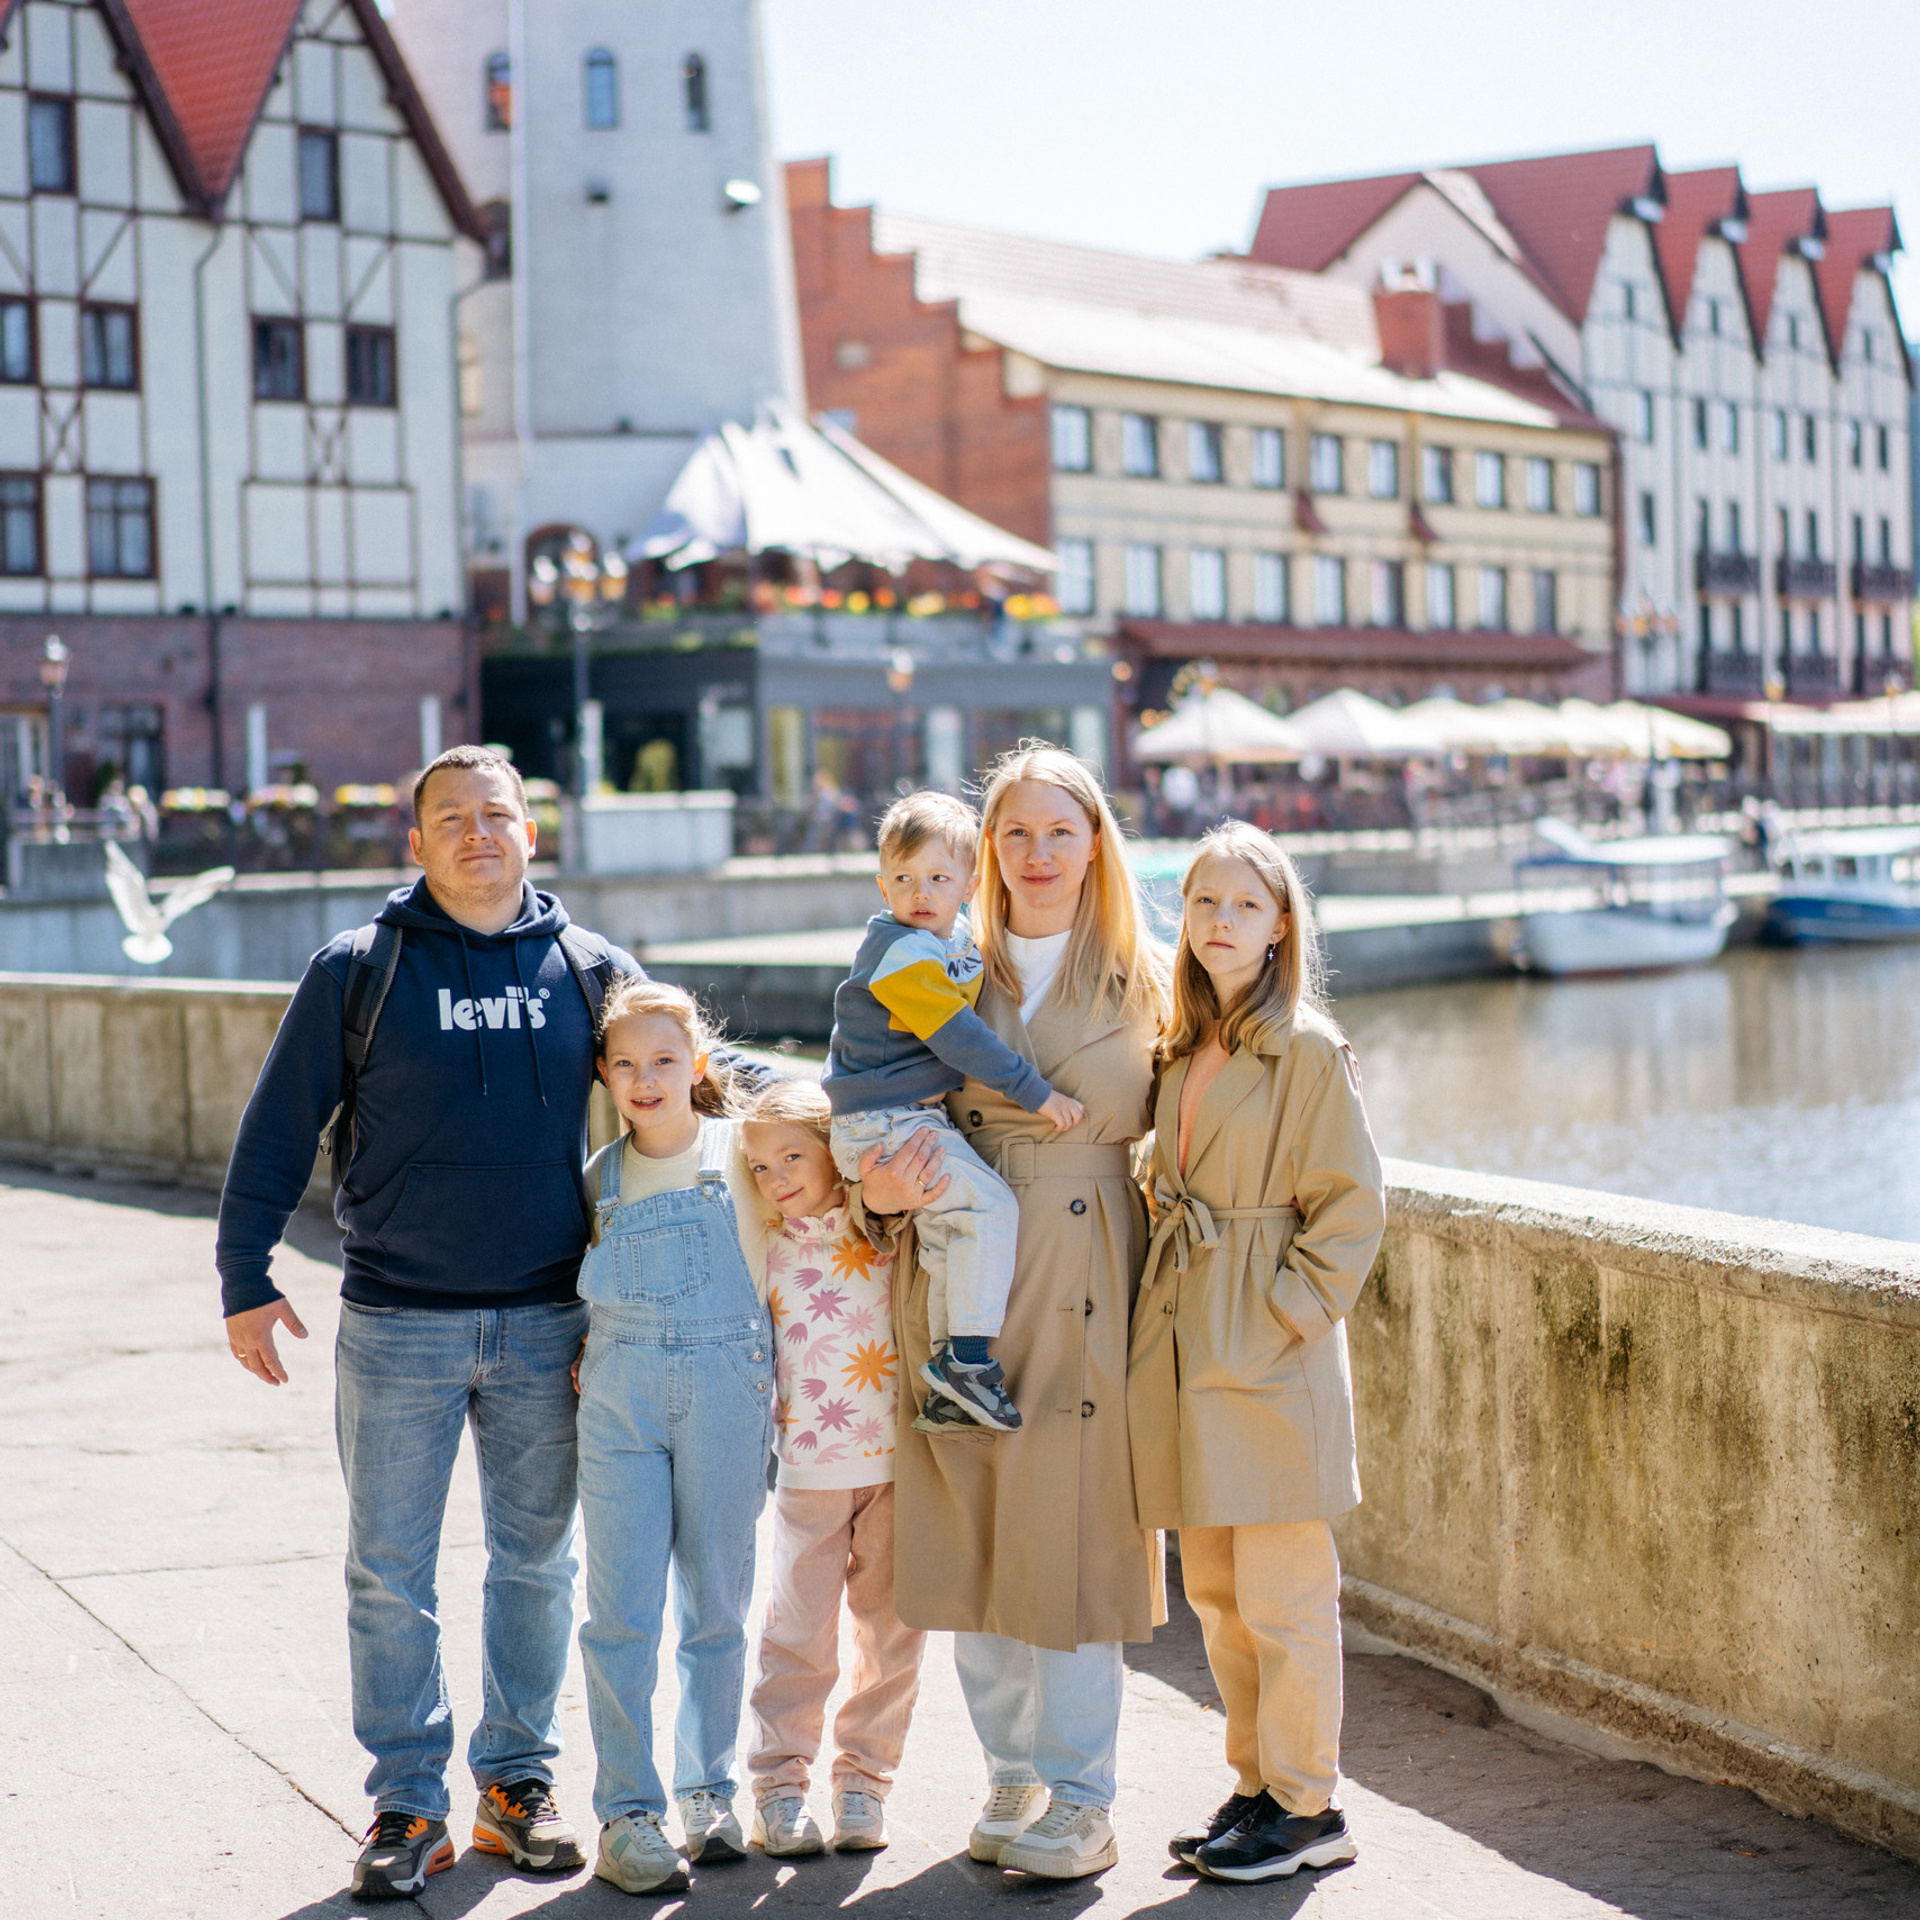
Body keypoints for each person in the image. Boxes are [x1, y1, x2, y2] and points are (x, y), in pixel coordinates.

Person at [217, 744, 639, 1899]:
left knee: (536, 1564)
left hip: (552, 1318)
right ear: (416, 844)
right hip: (398, 1318)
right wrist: (243, 1275)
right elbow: (275, 1130)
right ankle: (408, 1800)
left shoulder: (588, 966)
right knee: (388, 1571)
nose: (475, 833)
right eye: (449, 818)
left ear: (529, 831)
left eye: (494, 814)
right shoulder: (360, 968)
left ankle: (515, 1786)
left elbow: (685, 1089)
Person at [866, 744, 1172, 1881]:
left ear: (1097, 841)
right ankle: (1012, 1772)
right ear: (985, 849)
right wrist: (871, 1186)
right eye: (1014, 834)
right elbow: (863, 1090)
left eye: (1060, 830)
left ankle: (1086, 1796)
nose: (1037, 855)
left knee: (1079, 1529)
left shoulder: (1151, 975)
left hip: (1091, 1252)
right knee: (973, 1517)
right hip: (957, 1250)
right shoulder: (940, 961)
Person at [1129, 822, 1385, 1884]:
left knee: (1284, 1592)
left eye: (1242, 904)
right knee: (1220, 1594)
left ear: (1281, 924)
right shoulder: (1185, 1045)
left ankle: (1311, 1804)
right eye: (1201, 904)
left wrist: (1281, 1316)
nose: (1219, 922)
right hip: (1188, 1334)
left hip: (1263, 1343)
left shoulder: (1307, 1049)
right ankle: (1257, 1788)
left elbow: (1353, 1208)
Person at [574, 979, 775, 1896]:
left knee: (718, 1605)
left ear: (699, 1066)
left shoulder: (745, 1155)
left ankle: (708, 1789)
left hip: (728, 1394)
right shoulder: (597, 1176)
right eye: (625, 1064)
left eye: (665, 1061)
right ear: (605, 1075)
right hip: (619, 1401)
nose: (645, 1079)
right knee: (620, 1613)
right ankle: (627, 1809)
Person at [825, 791, 1084, 1434]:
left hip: (896, 1116)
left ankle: (948, 1385)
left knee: (948, 1239)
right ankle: (968, 1362)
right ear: (882, 884)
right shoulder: (901, 953)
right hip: (887, 1118)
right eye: (905, 879)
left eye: (939, 879)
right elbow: (959, 1038)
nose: (921, 892)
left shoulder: (947, 942)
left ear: (970, 885)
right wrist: (1037, 1092)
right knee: (989, 1208)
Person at [738, 1078, 926, 1857]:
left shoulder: (880, 1229)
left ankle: (864, 1783)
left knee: (891, 1633)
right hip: (808, 1470)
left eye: (792, 1156)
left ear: (832, 1153)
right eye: (759, 1166)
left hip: (896, 1467)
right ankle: (780, 1787)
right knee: (798, 1632)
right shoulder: (762, 1244)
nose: (776, 1176)